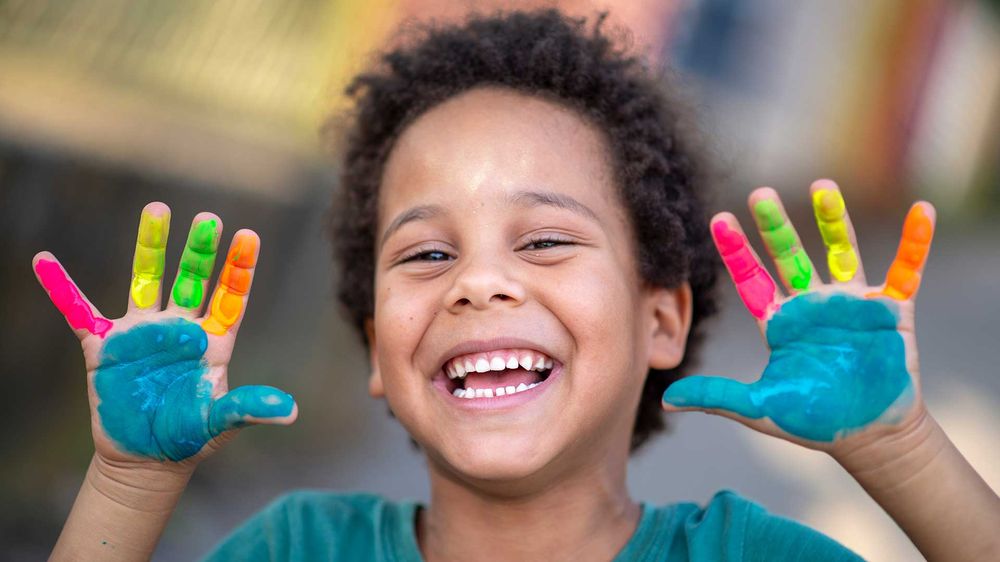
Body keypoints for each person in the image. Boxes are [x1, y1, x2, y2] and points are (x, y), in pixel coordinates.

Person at [35, 9, 998, 562]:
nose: (479, 283)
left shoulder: (747, 556)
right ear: (377, 350)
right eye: (424, 254)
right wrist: (131, 480)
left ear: (662, 320)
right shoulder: (301, 547)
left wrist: (899, 448)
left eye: (542, 240)